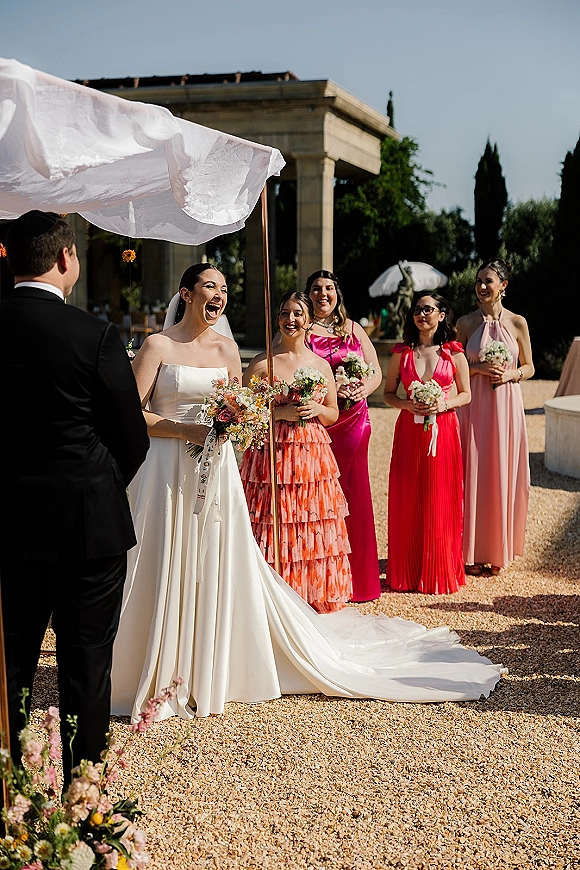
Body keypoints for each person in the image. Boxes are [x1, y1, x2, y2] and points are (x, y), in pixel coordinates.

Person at [111, 265, 505, 724]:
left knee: (212, 559)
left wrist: (238, 422)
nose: (218, 294)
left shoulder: (229, 350)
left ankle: (205, 663)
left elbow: (243, 412)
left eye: (223, 287)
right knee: (161, 555)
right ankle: (151, 658)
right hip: (165, 467)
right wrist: (187, 429)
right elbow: (130, 413)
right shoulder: (158, 346)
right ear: (186, 293)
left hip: (214, 468)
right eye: (209, 287)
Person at [0, 211, 149, 784]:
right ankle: (84, 806)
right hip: (89, 527)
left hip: (8, 527)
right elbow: (130, 438)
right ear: (65, 258)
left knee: (9, 668)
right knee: (86, 668)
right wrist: (97, 482)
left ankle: (9, 801)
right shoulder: (95, 335)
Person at [240, 290, 352, 613]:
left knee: (306, 521)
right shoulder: (263, 363)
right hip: (270, 455)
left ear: (309, 320)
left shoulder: (319, 364)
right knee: (272, 518)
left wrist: (315, 407)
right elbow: (244, 412)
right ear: (277, 318)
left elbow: (333, 414)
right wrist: (279, 414)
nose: (291, 320)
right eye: (285, 313)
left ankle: (307, 593)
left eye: (298, 314)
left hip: (310, 456)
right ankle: (271, 595)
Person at [383, 291, 471, 594]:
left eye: (429, 309)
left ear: (442, 315)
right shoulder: (402, 353)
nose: (422, 315)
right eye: (418, 310)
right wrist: (408, 406)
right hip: (409, 433)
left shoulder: (453, 353)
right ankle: (407, 572)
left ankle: (438, 571)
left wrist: (442, 405)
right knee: (408, 495)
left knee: (440, 496)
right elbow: (388, 394)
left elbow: (466, 394)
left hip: (444, 432)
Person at [305, 270, 382, 602]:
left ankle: (359, 581)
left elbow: (376, 369)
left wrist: (365, 385)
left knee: (354, 492)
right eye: (316, 289)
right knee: (317, 495)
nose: (323, 294)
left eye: (329, 289)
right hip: (318, 422)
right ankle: (322, 577)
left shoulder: (353, 329)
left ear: (338, 294)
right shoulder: (301, 330)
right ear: (308, 295)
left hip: (354, 422)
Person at [456, 259, 533, 576]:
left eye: (488, 281)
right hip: (473, 407)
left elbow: (529, 366)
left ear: (503, 285)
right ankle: (469, 551)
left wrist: (512, 373)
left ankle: (497, 550)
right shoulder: (464, 323)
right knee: (472, 470)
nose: (482, 286)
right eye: (478, 281)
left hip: (506, 407)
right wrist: (477, 369)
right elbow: (452, 367)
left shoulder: (517, 323)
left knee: (502, 472)